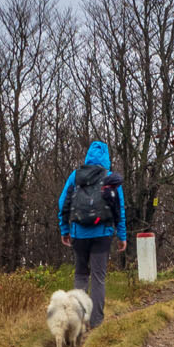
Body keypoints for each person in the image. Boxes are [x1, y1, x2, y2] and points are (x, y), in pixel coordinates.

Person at [57, 140, 126, 329]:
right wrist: (122, 236)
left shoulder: (75, 175)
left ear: (88, 156)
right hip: (102, 234)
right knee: (98, 278)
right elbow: (119, 207)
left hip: (78, 234)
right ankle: (96, 323)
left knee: (80, 276)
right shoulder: (110, 177)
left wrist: (65, 229)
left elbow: (63, 202)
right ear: (107, 158)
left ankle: (77, 322)